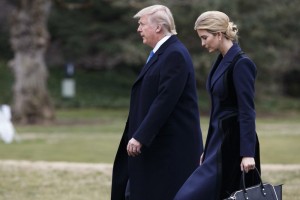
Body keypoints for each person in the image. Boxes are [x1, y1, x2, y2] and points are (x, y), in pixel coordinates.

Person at [110, 5, 203, 200]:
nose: (138, 29)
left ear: (159, 27)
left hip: (167, 150)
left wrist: (140, 136)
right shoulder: (164, 53)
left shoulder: (174, 54)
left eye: (142, 24)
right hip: (155, 148)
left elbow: (165, 100)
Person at [174, 11, 261, 200]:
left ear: (219, 35)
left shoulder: (241, 64)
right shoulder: (220, 61)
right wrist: (208, 148)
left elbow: (247, 111)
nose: (202, 43)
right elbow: (217, 111)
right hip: (217, 143)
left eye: (205, 38)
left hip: (234, 144)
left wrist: (247, 153)